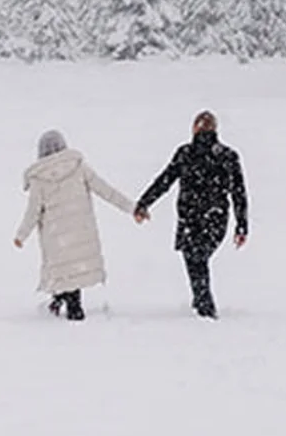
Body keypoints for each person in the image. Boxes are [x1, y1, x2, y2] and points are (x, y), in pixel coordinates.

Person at [134, 111, 249, 317]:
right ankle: (201, 300)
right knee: (198, 258)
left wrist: (144, 203)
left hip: (191, 217)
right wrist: (241, 226)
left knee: (195, 258)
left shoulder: (186, 153)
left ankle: (205, 306)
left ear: (195, 129)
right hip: (216, 217)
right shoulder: (227, 156)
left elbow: (165, 181)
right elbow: (239, 194)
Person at [13, 129, 136, 321]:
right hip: (80, 233)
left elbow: (33, 212)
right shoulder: (78, 167)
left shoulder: (39, 179)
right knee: (73, 270)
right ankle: (64, 304)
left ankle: (71, 313)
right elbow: (105, 190)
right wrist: (131, 207)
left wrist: (21, 235)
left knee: (64, 271)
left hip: (57, 238)